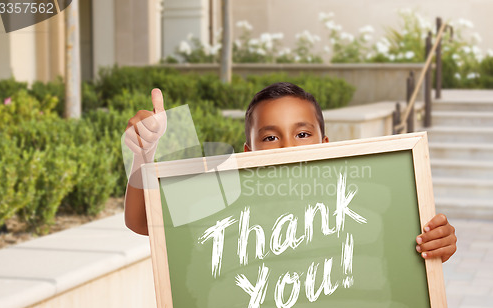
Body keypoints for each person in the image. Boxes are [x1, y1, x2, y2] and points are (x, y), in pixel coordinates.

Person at [124, 83, 457, 263]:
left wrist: (435, 243)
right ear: (247, 152)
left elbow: (405, 247)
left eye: (301, 134)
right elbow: (141, 221)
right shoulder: (223, 196)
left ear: (325, 143)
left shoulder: (362, 199)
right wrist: (144, 156)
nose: (287, 147)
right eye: (270, 137)